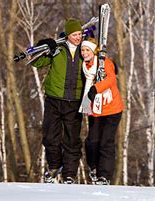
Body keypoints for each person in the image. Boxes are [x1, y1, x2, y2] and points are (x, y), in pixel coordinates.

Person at [30, 19, 85, 184]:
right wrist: (43, 46)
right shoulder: (58, 49)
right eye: (74, 34)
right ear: (68, 35)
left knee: (72, 140)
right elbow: (36, 62)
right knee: (50, 137)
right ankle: (54, 167)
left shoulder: (85, 50)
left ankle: (69, 174)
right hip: (54, 99)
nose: (78, 37)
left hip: (75, 102)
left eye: (80, 34)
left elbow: (98, 65)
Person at [79, 37, 124, 185]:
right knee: (92, 142)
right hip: (96, 110)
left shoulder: (105, 63)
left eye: (87, 50)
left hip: (112, 109)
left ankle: (104, 176)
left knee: (106, 142)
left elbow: (110, 79)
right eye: (83, 50)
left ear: (94, 51)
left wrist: (95, 89)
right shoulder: (85, 66)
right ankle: (93, 167)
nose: (85, 53)